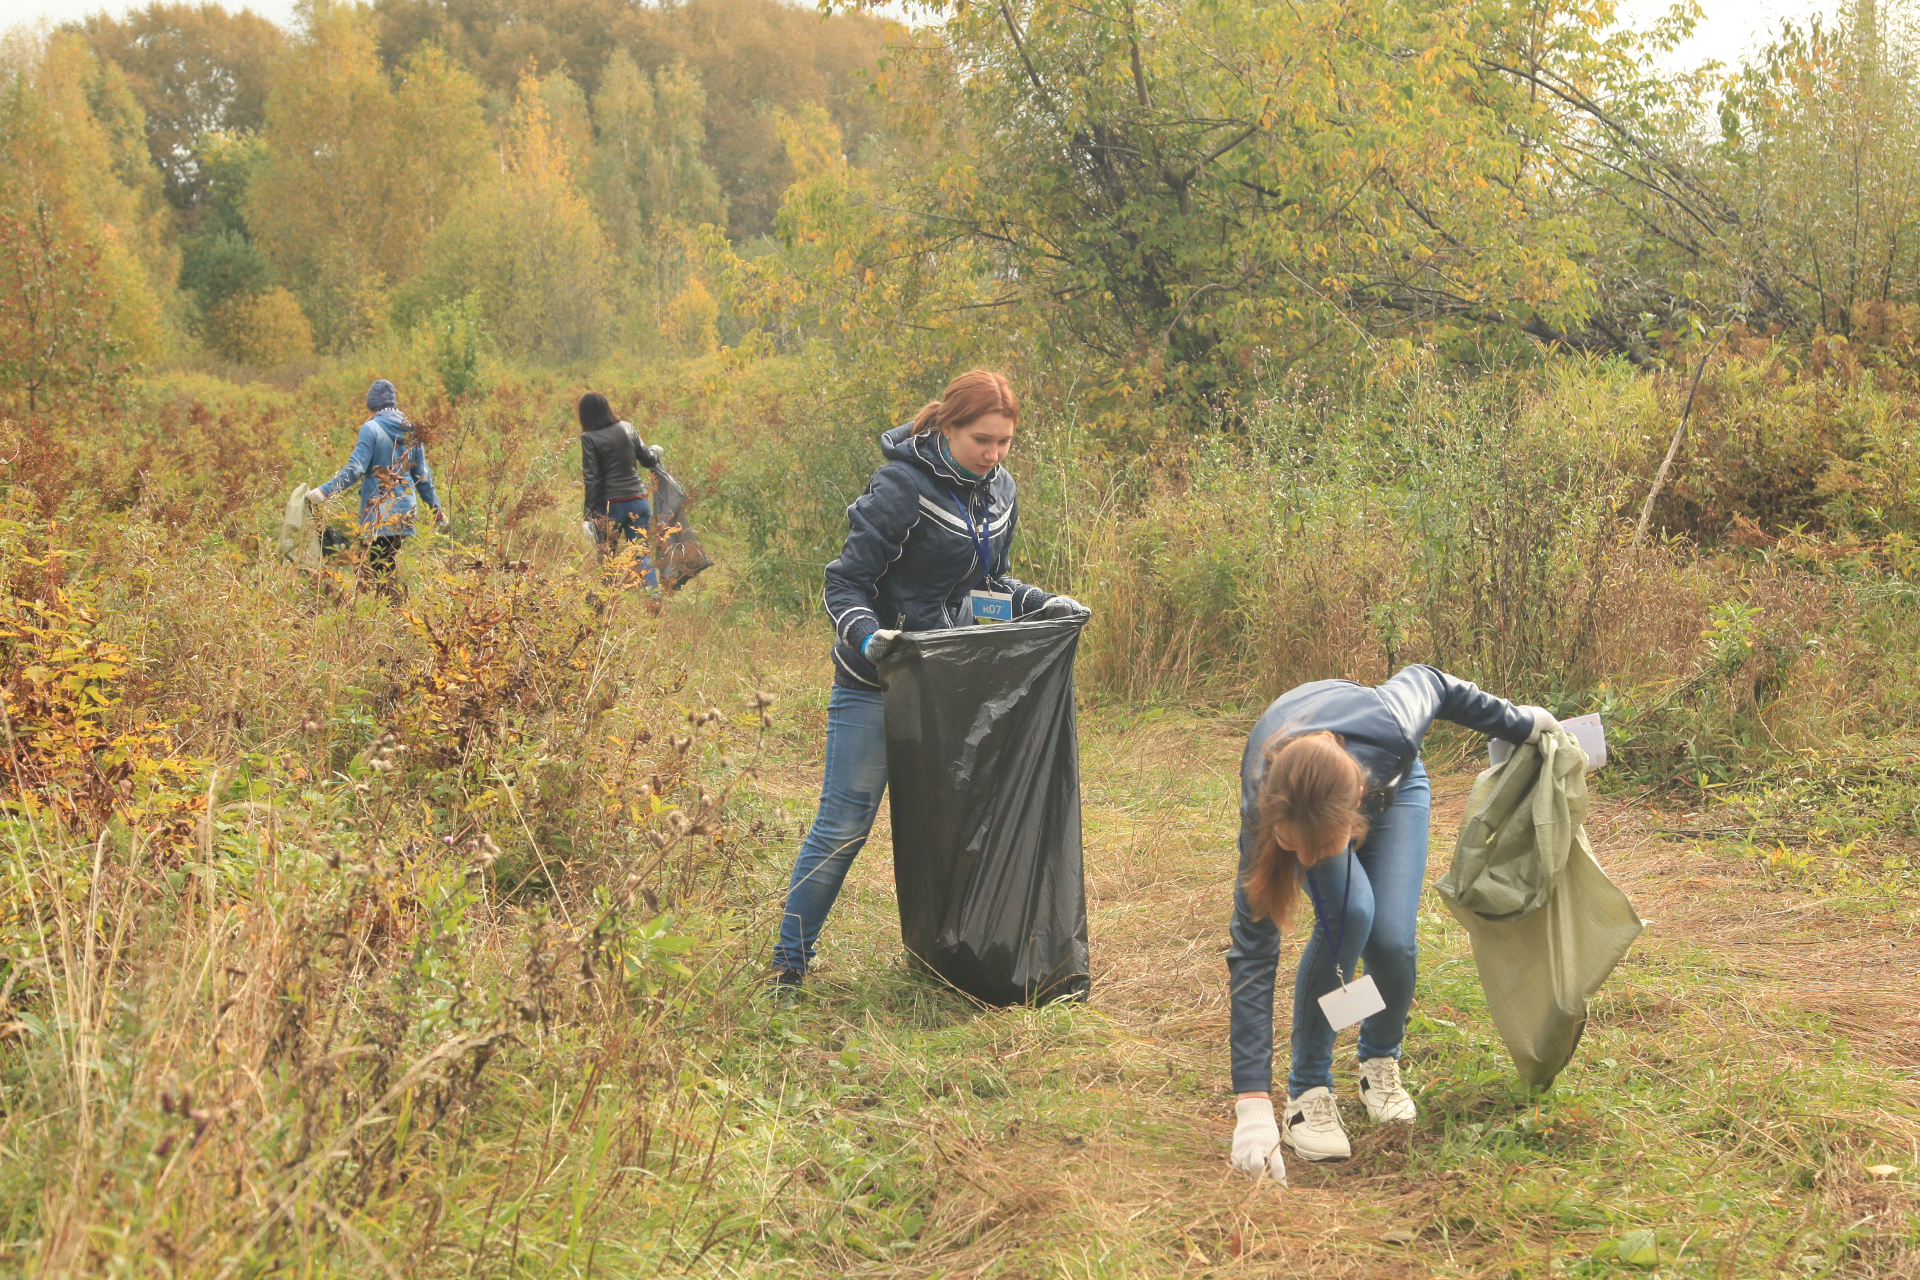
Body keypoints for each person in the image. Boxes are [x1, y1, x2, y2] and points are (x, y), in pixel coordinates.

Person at [771, 370, 1088, 990]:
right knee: (843, 825)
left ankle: (955, 961)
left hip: (954, 684)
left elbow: (989, 585)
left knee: (961, 825)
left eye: (1004, 442)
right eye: (981, 440)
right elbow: (844, 582)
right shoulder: (900, 487)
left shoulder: (1001, 491)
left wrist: (1042, 603)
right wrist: (870, 638)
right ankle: (788, 965)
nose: (993, 455)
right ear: (948, 426)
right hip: (879, 684)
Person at [1226, 667, 1559, 1182]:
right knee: (1351, 913)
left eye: (1317, 849)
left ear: (1355, 808)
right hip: (1311, 794)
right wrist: (1251, 1107)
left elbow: (1436, 682)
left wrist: (1520, 723)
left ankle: (1379, 1060)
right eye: (1295, 848)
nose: (1302, 859)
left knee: (1391, 940)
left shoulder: (1394, 721)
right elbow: (1253, 949)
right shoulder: (1265, 804)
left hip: (1396, 788)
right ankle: (1308, 1090)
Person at [308, 379, 444, 584]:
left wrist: (324, 491)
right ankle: (392, 607)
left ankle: (391, 608)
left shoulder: (370, 428)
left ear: (371, 407)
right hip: (406, 510)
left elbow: (356, 469)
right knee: (384, 563)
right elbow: (423, 478)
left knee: (380, 568)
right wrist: (437, 511)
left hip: (380, 509)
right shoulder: (412, 431)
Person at [578, 391, 662, 587]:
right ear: (607, 408)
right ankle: (653, 598)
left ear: (585, 415)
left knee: (607, 559)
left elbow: (591, 479)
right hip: (637, 502)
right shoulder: (627, 428)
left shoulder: (589, 438)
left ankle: (608, 607)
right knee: (640, 554)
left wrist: (588, 517)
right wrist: (656, 451)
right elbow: (648, 459)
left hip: (609, 509)